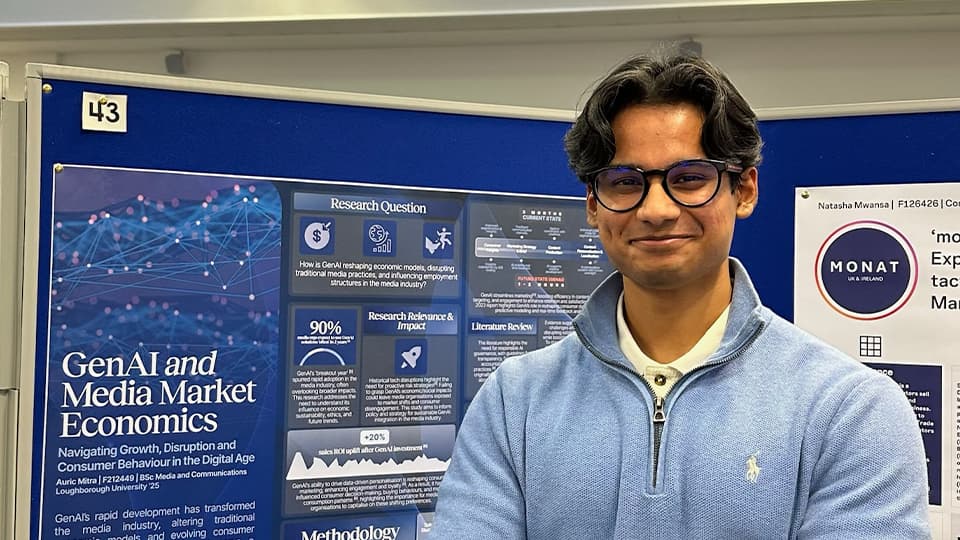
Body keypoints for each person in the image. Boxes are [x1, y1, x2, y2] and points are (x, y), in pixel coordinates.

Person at [429, 52, 931, 539]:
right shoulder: (514, 403)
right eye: (624, 182)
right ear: (592, 204)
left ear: (745, 190)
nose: (656, 209)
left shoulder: (849, 411)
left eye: (689, 178)